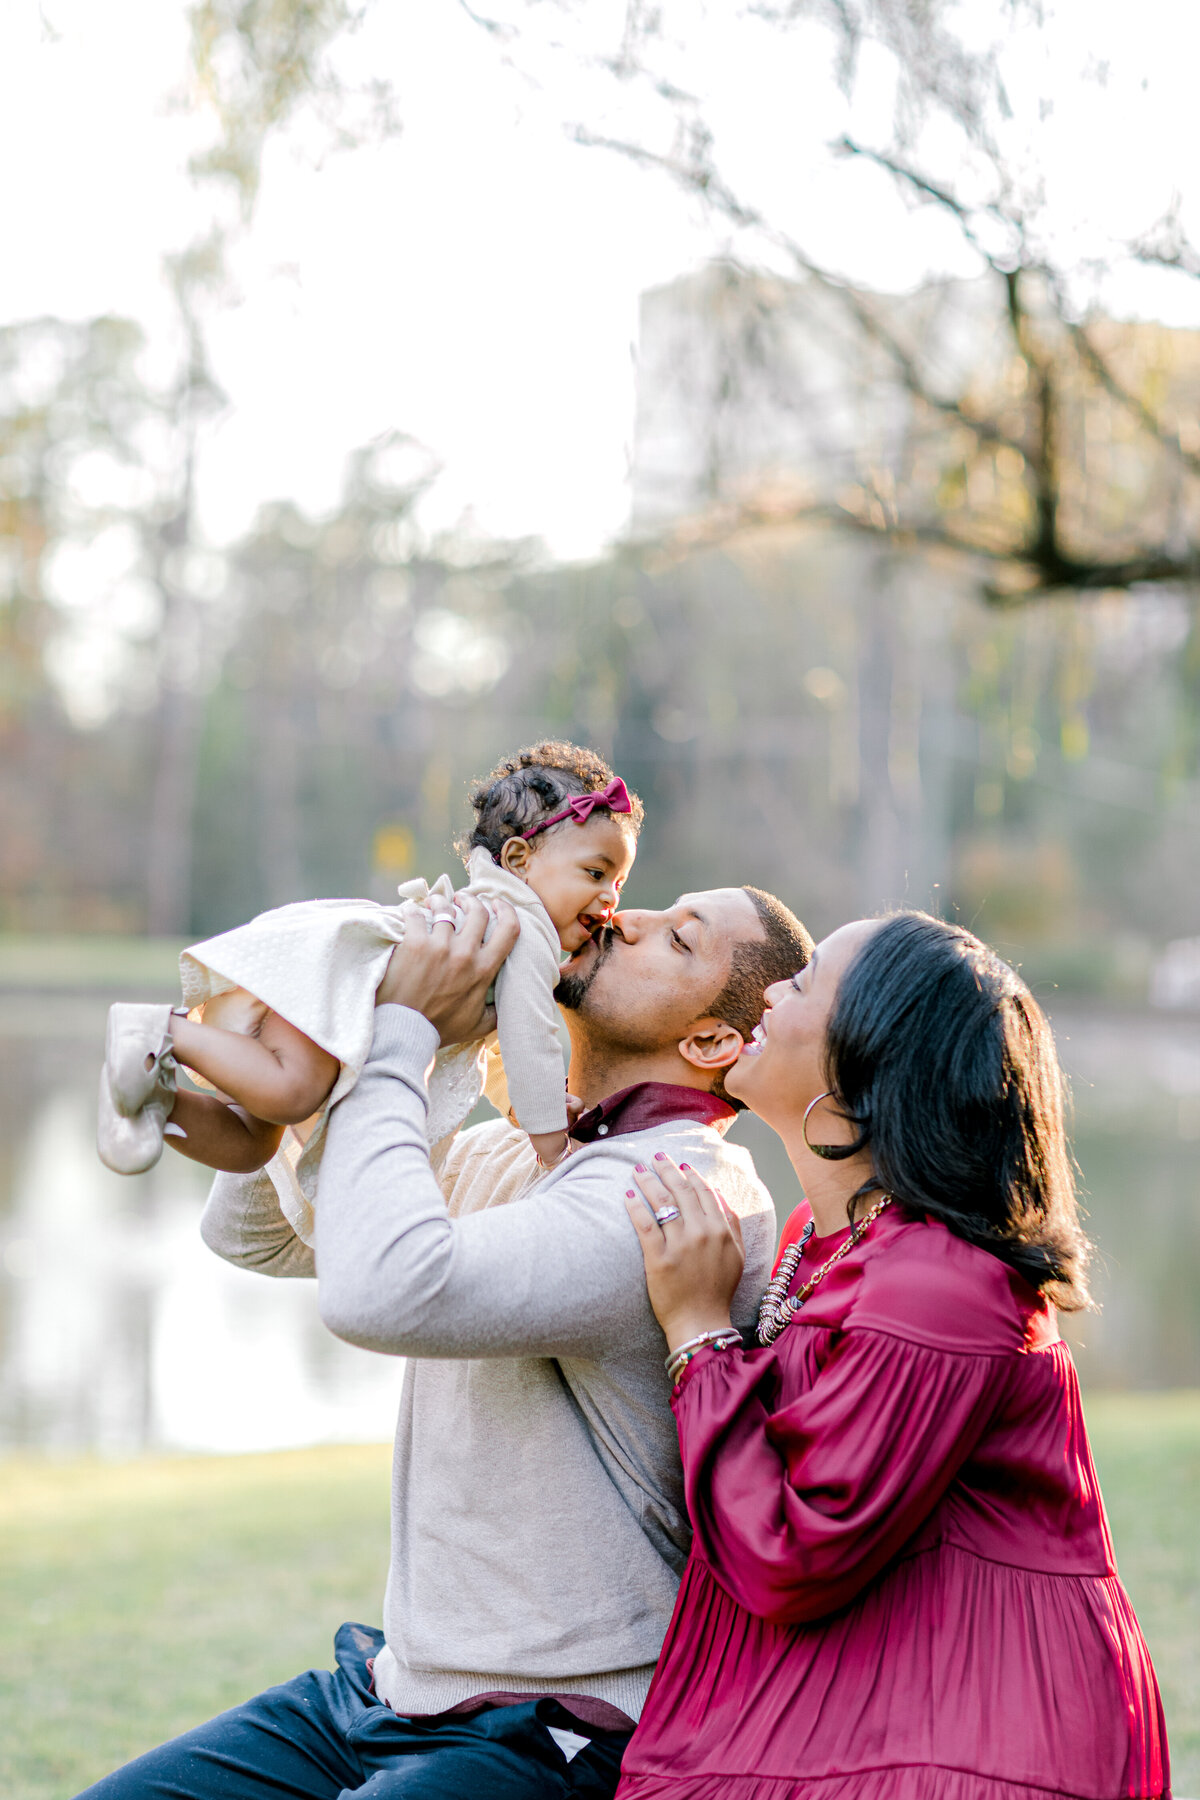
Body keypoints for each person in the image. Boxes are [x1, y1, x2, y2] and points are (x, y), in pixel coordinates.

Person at [75, 875, 815, 1798]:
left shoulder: (673, 1193)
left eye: (678, 938)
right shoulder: (522, 1152)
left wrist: (405, 1033)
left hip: (556, 1730)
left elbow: (380, 1292)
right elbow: (258, 1234)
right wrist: (357, 1027)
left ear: (710, 1039)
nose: (625, 917)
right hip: (392, 1691)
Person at [619, 910, 1169, 1800]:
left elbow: (791, 1548)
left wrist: (698, 1330)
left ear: (862, 1068)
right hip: (886, 1713)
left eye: (801, 987)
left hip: (986, 1738)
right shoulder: (820, 1242)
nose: (768, 991)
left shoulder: (940, 1279)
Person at [96, 742, 641, 1237]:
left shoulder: (500, 918)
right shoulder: (523, 928)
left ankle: (149, 1099)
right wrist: (551, 1145)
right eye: (595, 873)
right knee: (293, 1091)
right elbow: (531, 1038)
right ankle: (158, 1029)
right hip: (337, 992)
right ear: (521, 860)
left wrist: (522, 1110)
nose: (609, 898)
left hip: (327, 1000)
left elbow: (497, 1047)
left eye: (619, 883)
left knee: (250, 1144)